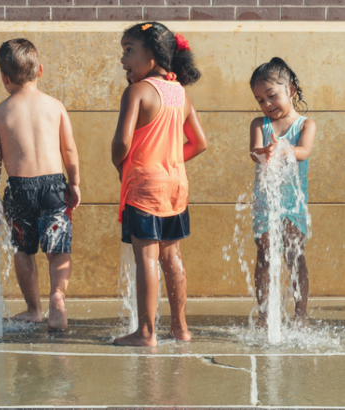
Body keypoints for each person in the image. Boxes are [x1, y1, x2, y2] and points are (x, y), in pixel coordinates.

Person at [111, 22, 207, 346]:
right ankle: (181, 328)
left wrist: (119, 161)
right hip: (176, 185)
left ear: (150, 54)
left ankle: (145, 332)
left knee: (147, 259)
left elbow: (121, 145)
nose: (123, 60)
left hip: (145, 186)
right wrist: (169, 159)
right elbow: (199, 143)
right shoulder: (180, 93)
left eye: (128, 51)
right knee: (172, 257)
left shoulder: (136, 91)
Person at [0, 38, 81, 331]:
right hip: (54, 187)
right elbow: (69, 150)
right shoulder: (55, 106)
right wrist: (74, 183)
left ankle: (33, 309)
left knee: (24, 251)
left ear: (4, 78)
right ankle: (57, 297)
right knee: (58, 249)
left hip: (19, 189)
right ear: (40, 69)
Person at [248, 57, 316, 329]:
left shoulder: (306, 124)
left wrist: (284, 149)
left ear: (291, 90)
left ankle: (301, 316)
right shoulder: (258, 124)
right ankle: (265, 317)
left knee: (294, 254)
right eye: (260, 99)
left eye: (271, 96)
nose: (266, 105)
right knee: (264, 254)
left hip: (293, 201)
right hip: (266, 201)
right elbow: (254, 152)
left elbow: (304, 152)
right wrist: (262, 152)